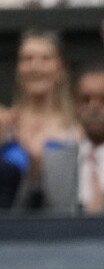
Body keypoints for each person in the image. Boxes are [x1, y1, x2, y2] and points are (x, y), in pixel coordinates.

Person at [18, 64, 104, 214]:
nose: (94, 107)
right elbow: (20, 223)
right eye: (85, 100)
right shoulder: (50, 164)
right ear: (75, 106)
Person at [0, 32, 76, 193]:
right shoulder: (4, 121)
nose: (35, 67)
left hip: (65, 215)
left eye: (45, 59)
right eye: (27, 59)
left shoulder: (78, 125)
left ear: (61, 68)